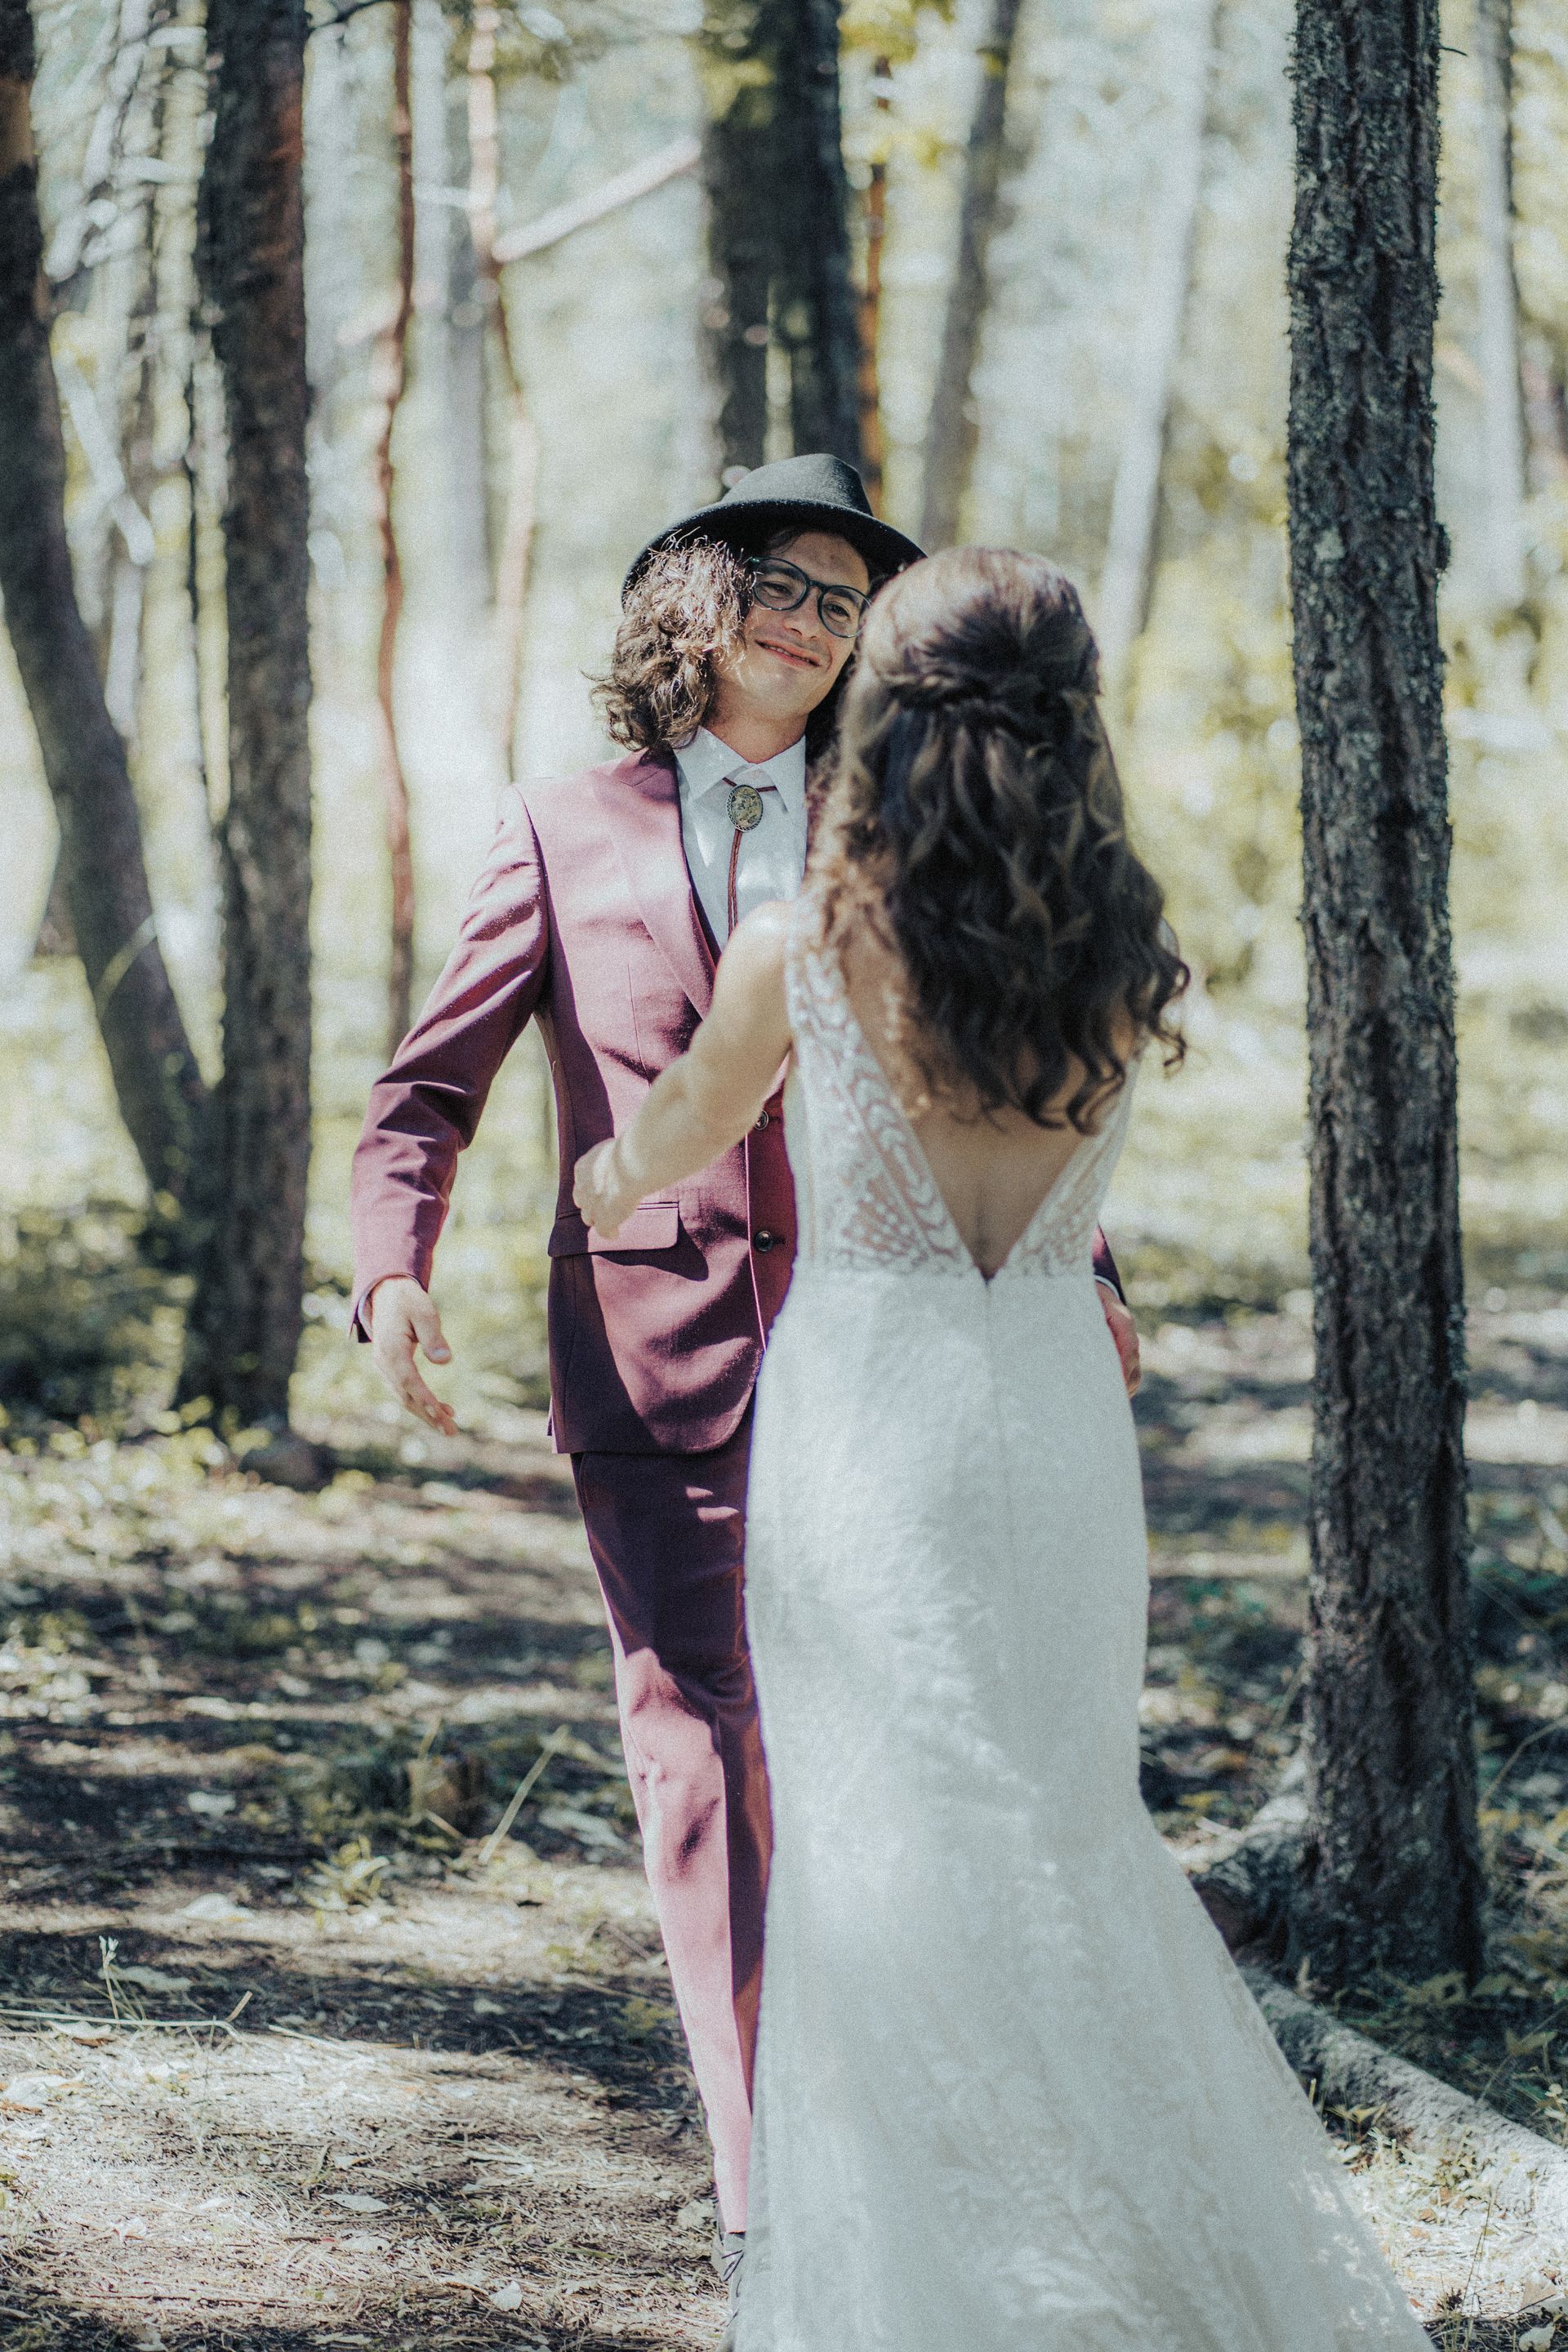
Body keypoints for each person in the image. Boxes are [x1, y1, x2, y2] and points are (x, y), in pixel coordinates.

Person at [572, 546, 1433, 2350]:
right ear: (1073, 725)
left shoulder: (807, 943)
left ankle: (954, 2287)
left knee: (887, 1840)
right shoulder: (1123, 955)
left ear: (889, 710)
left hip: (873, 1420)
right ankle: (1123, 2261)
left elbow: (678, 1134)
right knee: (1052, 1827)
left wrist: (600, 1180)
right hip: (1047, 1416)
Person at [347, 457, 1134, 2337]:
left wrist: (1079, 1273)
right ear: (689, 597)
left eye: (845, 599)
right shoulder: (560, 825)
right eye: (779, 579)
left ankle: (944, 2147)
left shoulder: (910, 823)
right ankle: (771, 2185)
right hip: (667, 1363)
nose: (810, 617)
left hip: (915, 1367)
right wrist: (391, 1261)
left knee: (920, 1757)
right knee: (716, 1763)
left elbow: (1014, 1072)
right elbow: (429, 1088)